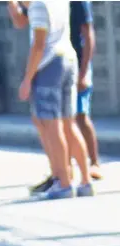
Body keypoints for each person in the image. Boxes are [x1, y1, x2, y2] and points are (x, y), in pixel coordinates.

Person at [8, 1, 94, 199]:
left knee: (52, 126)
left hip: (48, 65)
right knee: (69, 125)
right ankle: (85, 181)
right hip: (69, 59)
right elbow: (22, 19)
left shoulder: (38, 5)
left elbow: (39, 44)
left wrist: (27, 79)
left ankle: (64, 184)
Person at [70, 1, 101, 180]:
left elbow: (88, 35)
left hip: (79, 65)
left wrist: (83, 73)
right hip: (64, 65)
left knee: (81, 116)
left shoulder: (79, 3)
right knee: (64, 120)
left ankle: (95, 162)